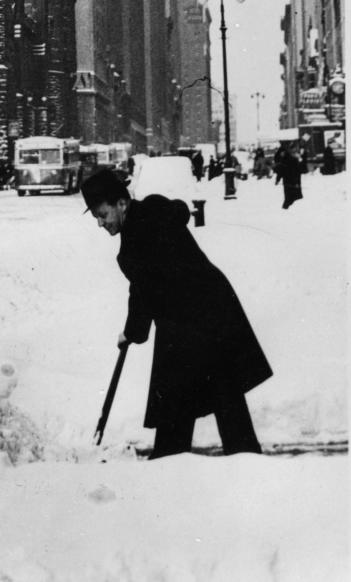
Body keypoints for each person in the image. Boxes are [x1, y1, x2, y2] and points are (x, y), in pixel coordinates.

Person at [82, 167, 272, 459]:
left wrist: (133, 333)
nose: (100, 223)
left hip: (191, 320)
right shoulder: (153, 215)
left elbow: (143, 291)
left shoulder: (137, 237)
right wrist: (134, 331)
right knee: (218, 393)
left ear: (121, 203)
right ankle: (244, 460)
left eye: (102, 214)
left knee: (179, 396)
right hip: (211, 311)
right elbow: (145, 286)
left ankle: (171, 466)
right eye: (96, 216)